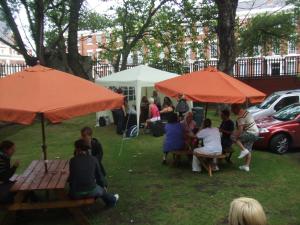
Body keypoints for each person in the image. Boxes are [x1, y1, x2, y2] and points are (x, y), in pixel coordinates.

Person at [69, 139, 119, 207]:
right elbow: (99, 176)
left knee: (98, 189)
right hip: (91, 191)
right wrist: (103, 185)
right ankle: (113, 200)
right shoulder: (93, 159)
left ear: (77, 149)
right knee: (101, 191)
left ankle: (110, 198)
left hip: (75, 193)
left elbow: (72, 177)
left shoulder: (72, 161)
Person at [231, 104, 259, 172]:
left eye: (232, 110)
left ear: (236, 109)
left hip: (250, 133)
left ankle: (243, 150)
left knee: (232, 137)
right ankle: (246, 166)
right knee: (248, 149)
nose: (232, 112)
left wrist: (235, 136)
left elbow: (240, 130)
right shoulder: (247, 112)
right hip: (256, 133)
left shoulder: (240, 117)